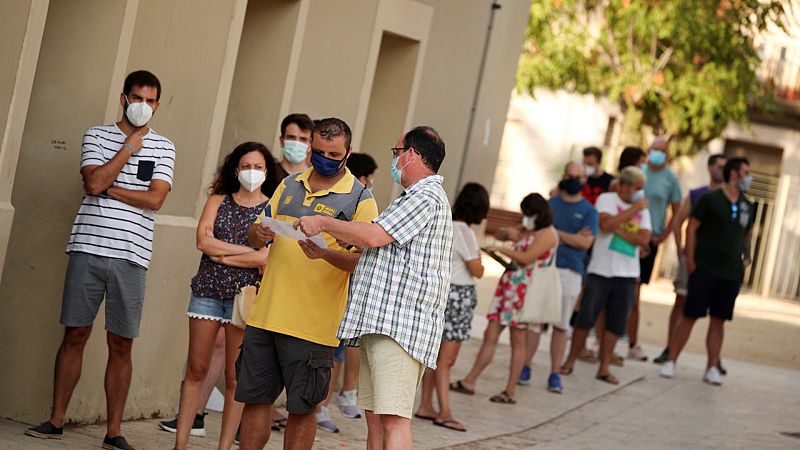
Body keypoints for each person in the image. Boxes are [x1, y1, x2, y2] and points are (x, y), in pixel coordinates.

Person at [25, 71, 174, 450]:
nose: (143, 106)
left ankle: (113, 432)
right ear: (124, 98)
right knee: (74, 334)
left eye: (150, 100)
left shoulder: (165, 147)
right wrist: (127, 149)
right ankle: (56, 420)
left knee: (122, 344)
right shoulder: (96, 134)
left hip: (132, 254)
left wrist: (112, 187)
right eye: (137, 98)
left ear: (158, 104)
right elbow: (92, 184)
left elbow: (156, 200)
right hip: (89, 247)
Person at [293, 126, 451, 450]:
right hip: (382, 327)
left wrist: (323, 222)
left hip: (399, 329)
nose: (393, 161)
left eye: (396, 152)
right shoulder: (411, 198)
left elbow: (373, 236)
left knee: (393, 420)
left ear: (411, 155)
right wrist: (324, 251)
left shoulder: (425, 196)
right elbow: (374, 250)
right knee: (376, 419)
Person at [235, 118, 378, 450]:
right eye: (320, 151)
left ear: (348, 152)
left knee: (302, 410)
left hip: (313, 328)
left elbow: (362, 261)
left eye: (335, 153)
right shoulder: (288, 183)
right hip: (265, 317)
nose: (326, 157)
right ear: (310, 148)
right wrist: (261, 232)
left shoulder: (361, 200)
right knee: (256, 403)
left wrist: (325, 256)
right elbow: (254, 234)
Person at [171, 142, 276, 450]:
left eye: (258, 167)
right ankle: (180, 444)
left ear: (267, 172)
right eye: (246, 166)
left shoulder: (270, 208)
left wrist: (224, 254)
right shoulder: (218, 200)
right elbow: (203, 241)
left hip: (244, 298)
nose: (252, 172)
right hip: (206, 291)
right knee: (196, 370)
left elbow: (265, 259)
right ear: (235, 169)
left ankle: (224, 446)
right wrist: (246, 252)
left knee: (234, 378)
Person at [452, 194, 558, 404]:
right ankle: (470, 380)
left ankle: (511, 389)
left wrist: (503, 249)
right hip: (509, 288)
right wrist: (507, 234)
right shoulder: (528, 227)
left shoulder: (547, 234)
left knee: (518, 340)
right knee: (490, 334)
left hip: (523, 292)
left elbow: (528, 257)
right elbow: (503, 234)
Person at [660, 157, 753, 385]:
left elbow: (746, 234)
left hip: (730, 273)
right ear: (734, 174)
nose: (749, 177)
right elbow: (691, 227)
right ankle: (671, 360)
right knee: (690, 315)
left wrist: (747, 257)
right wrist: (690, 259)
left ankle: (712, 366)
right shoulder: (709, 199)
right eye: (745, 172)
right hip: (705, 268)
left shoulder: (747, 205)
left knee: (719, 320)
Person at [561, 167, 651, 385]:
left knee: (616, 323)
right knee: (586, 317)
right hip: (601, 270)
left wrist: (619, 229)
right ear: (625, 185)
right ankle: (570, 360)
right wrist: (630, 213)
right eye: (637, 188)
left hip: (628, 274)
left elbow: (644, 239)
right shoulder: (607, 199)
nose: (640, 194)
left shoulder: (644, 210)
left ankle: (604, 367)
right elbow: (605, 225)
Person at [415, 182, 490, 432]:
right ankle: (445, 411)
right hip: (460, 296)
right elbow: (476, 269)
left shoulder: (447, 224)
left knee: (434, 357)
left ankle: (426, 404)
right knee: (447, 359)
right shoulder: (465, 232)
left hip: (445, 293)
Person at [317, 152, 380, 429]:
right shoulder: (348, 201)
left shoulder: (364, 203)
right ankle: (319, 406)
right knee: (332, 353)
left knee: (340, 351)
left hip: (349, 289)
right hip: (329, 286)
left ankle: (325, 405)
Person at [653, 154, 727, 364]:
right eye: (719, 166)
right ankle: (670, 348)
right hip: (694, 258)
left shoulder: (731, 198)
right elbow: (678, 221)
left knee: (717, 311)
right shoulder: (697, 194)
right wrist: (680, 250)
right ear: (710, 167)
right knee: (681, 302)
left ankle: (715, 359)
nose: (722, 170)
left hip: (717, 263)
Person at [545, 162, 598, 393]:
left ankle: (555, 373)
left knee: (561, 325)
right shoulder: (550, 205)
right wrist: (570, 237)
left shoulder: (589, 211)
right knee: (534, 324)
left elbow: (585, 242)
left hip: (571, 271)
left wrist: (554, 233)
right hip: (545, 268)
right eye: (571, 175)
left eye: (579, 177)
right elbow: (537, 232)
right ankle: (524, 368)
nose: (575, 180)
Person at [627, 137, 682, 361]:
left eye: (662, 151)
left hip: (649, 240)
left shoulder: (671, 179)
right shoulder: (637, 172)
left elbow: (678, 211)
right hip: (626, 234)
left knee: (635, 291)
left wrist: (664, 235)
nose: (657, 153)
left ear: (668, 155)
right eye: (654, 149)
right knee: (618, 286)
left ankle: (632, 342)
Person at [273, 113, 314, 181]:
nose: (296, 143)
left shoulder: (313, 180)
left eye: (303, 139)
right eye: (291, 137)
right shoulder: (267, 174)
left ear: (310, 144)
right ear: (281, 141)